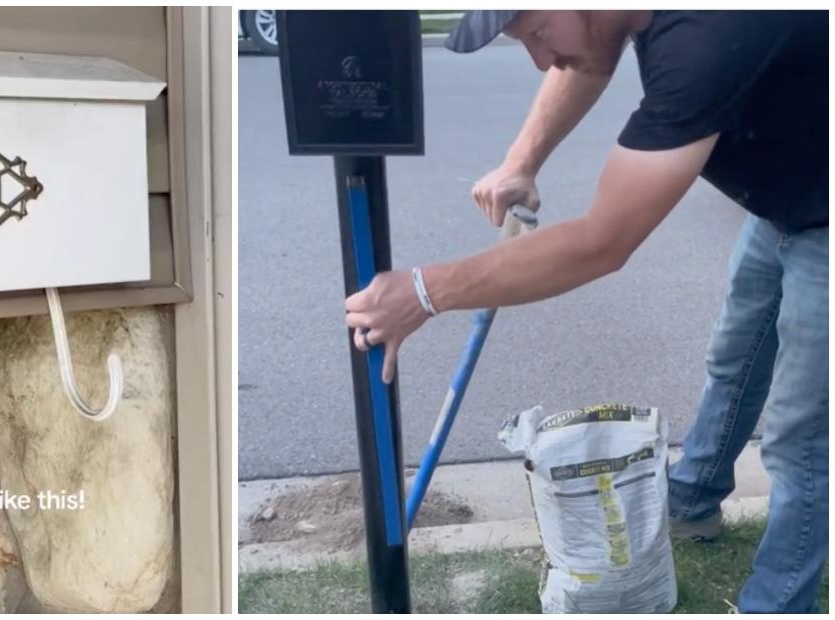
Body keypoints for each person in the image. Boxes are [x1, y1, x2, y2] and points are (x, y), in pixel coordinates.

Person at [343, 10, 827, 613]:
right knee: (737, 355)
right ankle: (693, 502)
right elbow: (583, 55)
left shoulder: (709, 39)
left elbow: (603, 242)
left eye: (539, 35)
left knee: (802, 434)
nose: (542, 61)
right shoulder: (618, 18)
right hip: (788, 197)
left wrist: (423, 292)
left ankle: (780, 603)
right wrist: (523, 159)